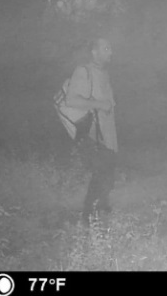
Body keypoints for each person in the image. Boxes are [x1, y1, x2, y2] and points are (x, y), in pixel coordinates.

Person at [63, 37, 118, 224]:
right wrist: (99, 104)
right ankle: (89, 217)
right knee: (101, 173)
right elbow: (71, 100)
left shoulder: (104, 73)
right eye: (106, 48)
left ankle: (101, 213)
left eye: (110, 49)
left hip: (107, 133)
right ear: (94, 52)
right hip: (91, 133)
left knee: (107, 173)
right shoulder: (82, 71)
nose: (110, 52)